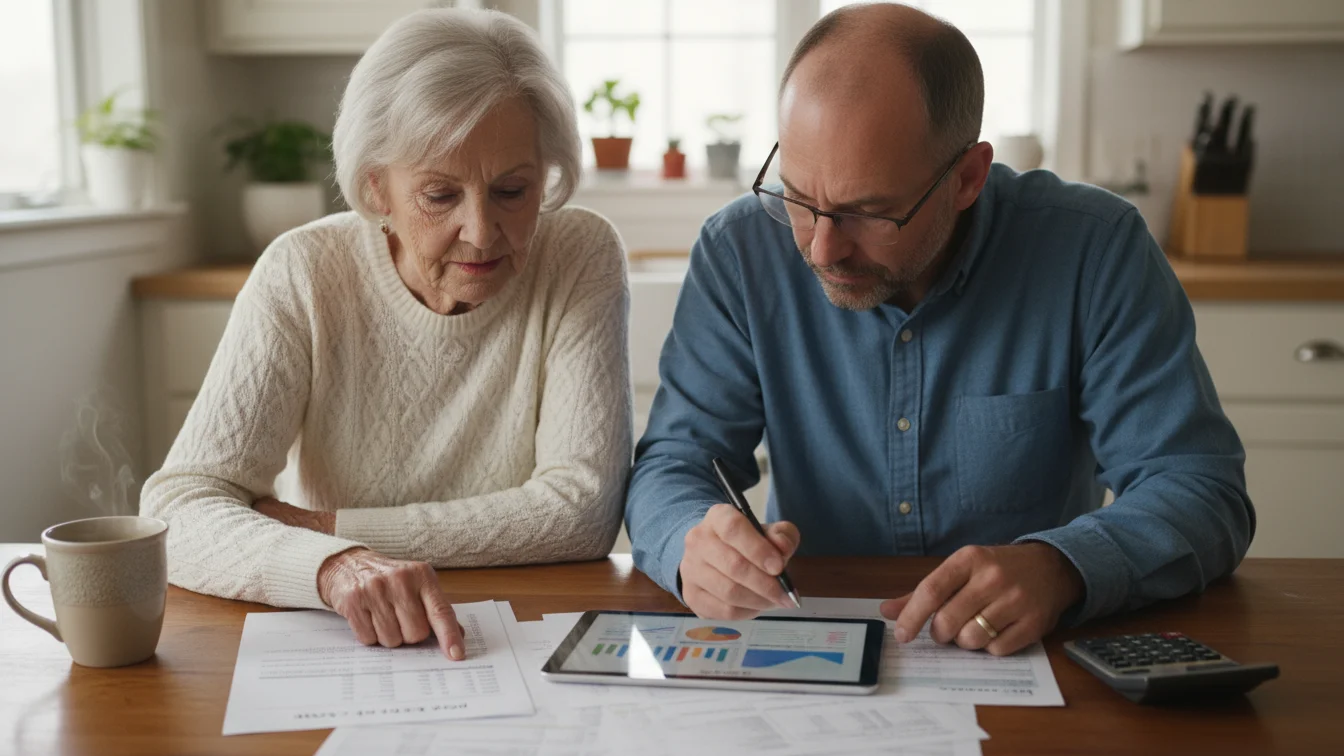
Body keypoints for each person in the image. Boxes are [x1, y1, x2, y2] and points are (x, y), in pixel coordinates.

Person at [625, 3, 1252, 656]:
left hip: (1028, 661)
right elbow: (672, 465)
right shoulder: (740, 253)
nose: (820, 251)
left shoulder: (1093, 252)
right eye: (798, 198)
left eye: (868, 211)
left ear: (967, 178)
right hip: (813, 645)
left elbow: (1201, 490)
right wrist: (691, 545)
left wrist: (1062, 566)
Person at [141, 8, 632, 659]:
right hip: (342, 633)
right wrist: (334, 564)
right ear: (378, 188)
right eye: (439, 195)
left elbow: (581, 513)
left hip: (527, 627)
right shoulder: (304, 271)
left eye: (513, 190)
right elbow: (179, 507)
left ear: (545, 173)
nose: (482, 232)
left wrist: (328, 527)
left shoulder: (579, 252)